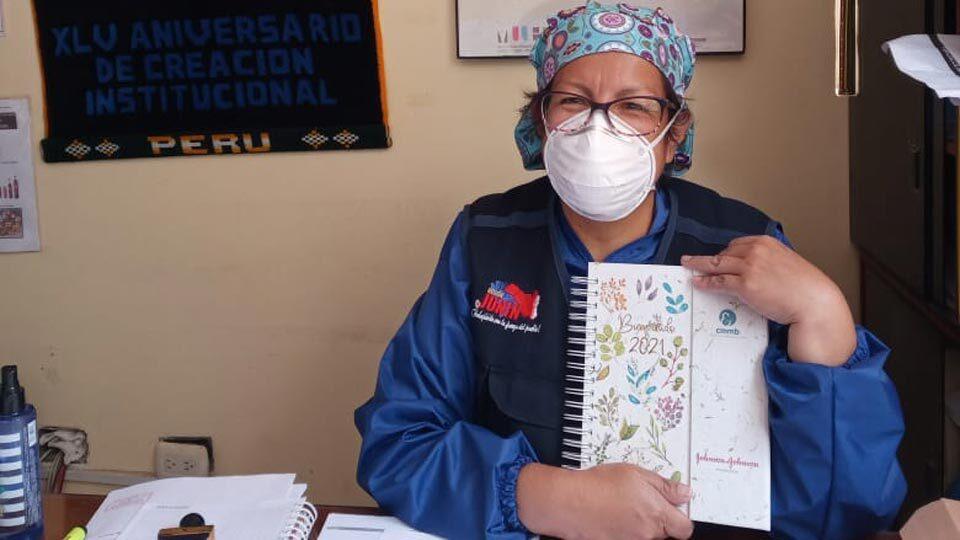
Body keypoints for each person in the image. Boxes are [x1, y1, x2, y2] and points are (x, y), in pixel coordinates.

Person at [354, 2, 906, 539]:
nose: (601, 129)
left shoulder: (745, 246)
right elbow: (397, 445)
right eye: (572, 101)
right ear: (540, 122)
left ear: (674, 134)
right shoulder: (486, 239)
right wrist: (547, 496)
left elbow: (848, 511)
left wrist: (824, 315)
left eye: (635, 106)